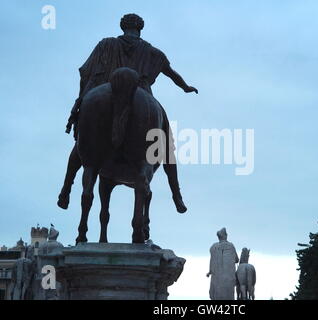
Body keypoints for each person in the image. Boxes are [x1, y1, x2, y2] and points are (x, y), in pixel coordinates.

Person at [58, 13, 198, 213]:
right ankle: (177, 196)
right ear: (140, 28)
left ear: (122, 27)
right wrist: (185, 87)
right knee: (167, 147)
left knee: (82, 144)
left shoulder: (105, 44)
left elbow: (86, 74)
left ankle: (66, 189)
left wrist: (81, 101)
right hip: (144, 94)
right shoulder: (153, 52)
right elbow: (172, 74)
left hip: (105, 89)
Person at [207, 228, 239, 300]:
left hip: (216, 279)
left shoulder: (213, 247)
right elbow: (237, 259)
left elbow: (211, 261)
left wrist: (210, 271)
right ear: (225, 236)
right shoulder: (231, 246)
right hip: (229, 280)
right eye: (226, 234)